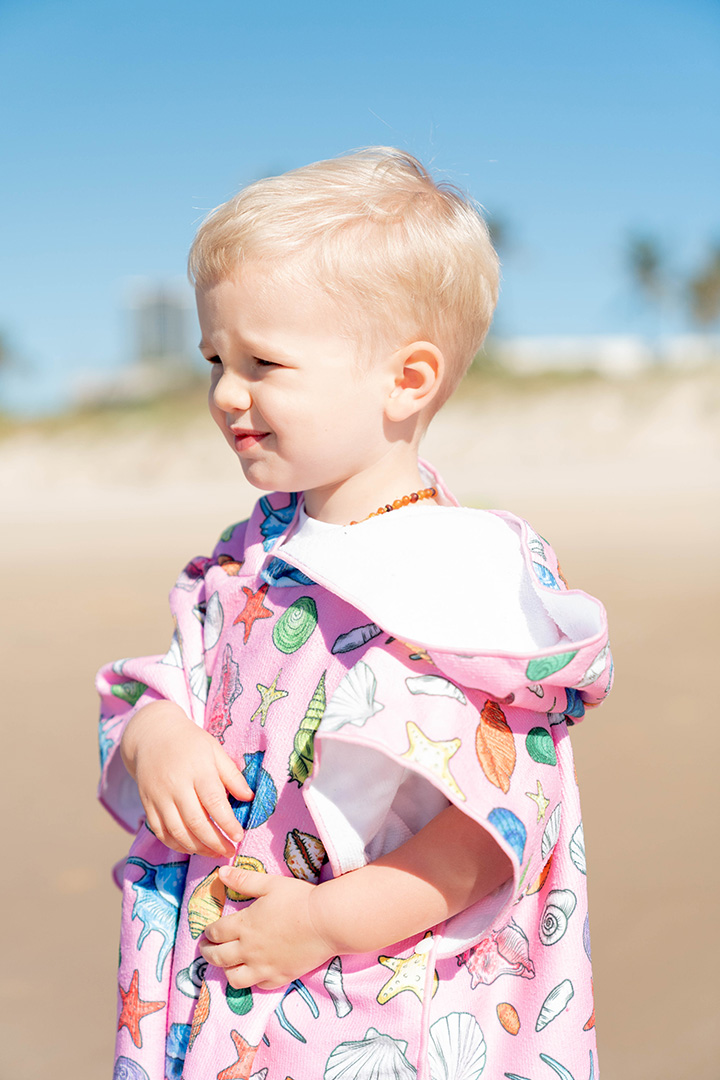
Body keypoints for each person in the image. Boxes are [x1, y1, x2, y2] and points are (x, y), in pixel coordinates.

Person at [97, 147, 611, 1080]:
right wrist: (157, 734)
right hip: (219, 991)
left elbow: (496, 824)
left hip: (357, 1006)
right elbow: (168, 681)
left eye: (264, 362)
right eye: (215, 358)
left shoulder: (461, 577)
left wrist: (324, 923)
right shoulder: (248, 555)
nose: (225, 393)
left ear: (406, 380)